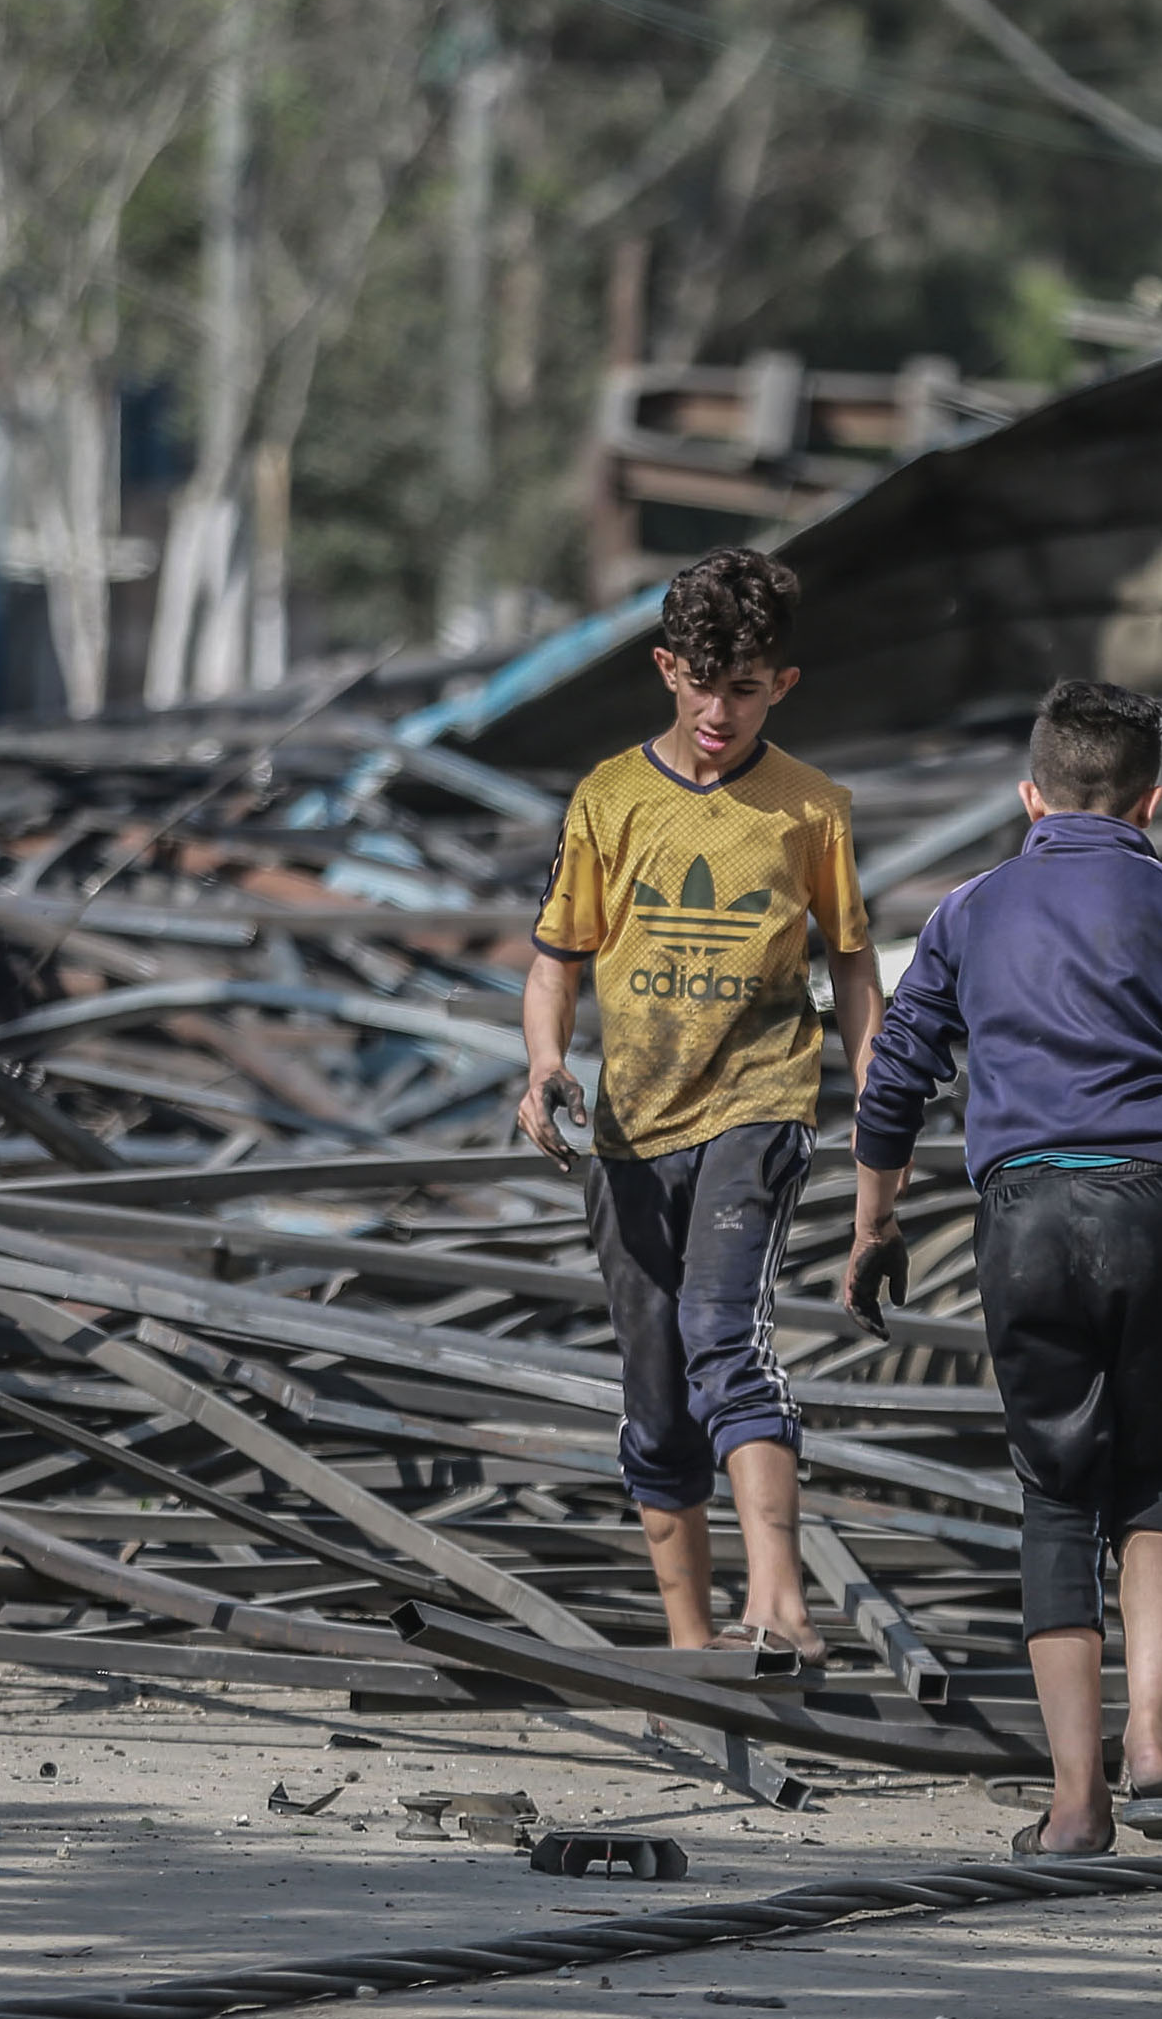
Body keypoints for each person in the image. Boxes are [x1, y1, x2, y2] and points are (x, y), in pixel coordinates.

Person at [844, 677, 1162, 1856]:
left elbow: (895, 1074)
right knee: (1154, 1465)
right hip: (1159, 1204)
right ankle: (1155, 1740)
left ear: (1030, 796)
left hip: (1026, 1214)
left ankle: (1074, 1804)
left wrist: (875, 1224)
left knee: (1056, 1491)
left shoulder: (965, 911)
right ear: (1151, 801)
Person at [519, 549, 882, 1667]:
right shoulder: (609, 800)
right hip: (631, 1130)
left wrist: (879, 1101)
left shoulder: (809, 810)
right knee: (657, 1391)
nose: (720, 712)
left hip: (758, 1105)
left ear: (784, 685)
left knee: (727, 1334)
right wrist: (542, 1066)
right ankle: (692, 1647)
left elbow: (856, 969)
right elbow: (555, 963)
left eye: (747, 688)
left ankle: (777, 1598)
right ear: (668, 669)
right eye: (704, 684)